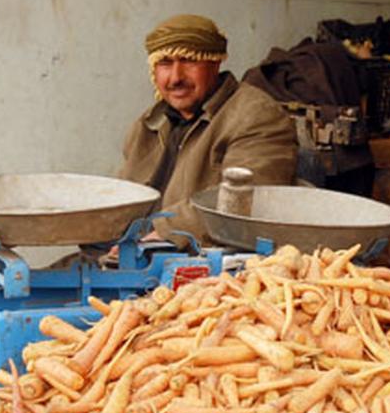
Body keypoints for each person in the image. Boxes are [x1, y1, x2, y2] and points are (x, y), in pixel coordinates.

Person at [117, 14, 298, 245]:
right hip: (132, 249)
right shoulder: (150, 123)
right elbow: (123, 198)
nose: (175, 78)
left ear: (215, 62)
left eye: (189, 61)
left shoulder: (256, 116)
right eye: (165, 64)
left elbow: (245, 198)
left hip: (201, 259)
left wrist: (164, 234)